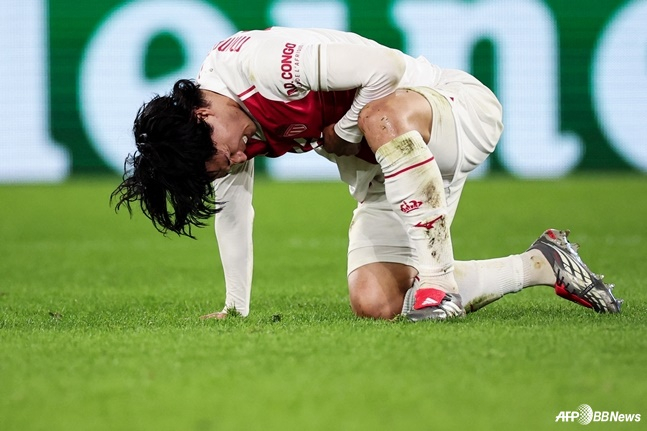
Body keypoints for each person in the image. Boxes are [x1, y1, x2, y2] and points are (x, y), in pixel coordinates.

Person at [112, 27, 622, 321]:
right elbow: (234, 215)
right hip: (396, 173)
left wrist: (344, 129)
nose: (238, 161)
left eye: (225, 158)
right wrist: (235, 307)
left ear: (201, 115)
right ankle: (543, 264)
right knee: (377, 300)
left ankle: (437, 283)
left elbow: (385, 68)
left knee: (378, 115)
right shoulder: (219, 133)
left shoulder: (259, 66)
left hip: (450, 110)